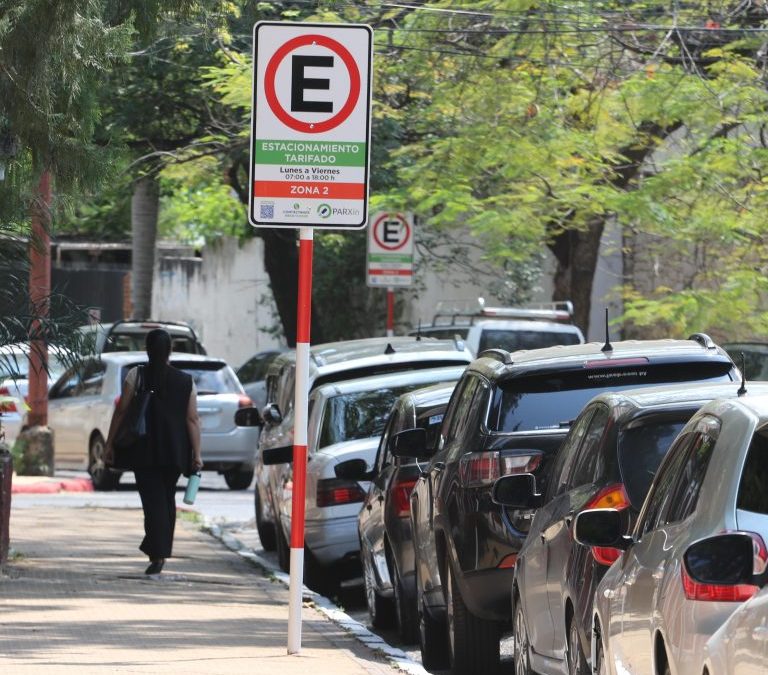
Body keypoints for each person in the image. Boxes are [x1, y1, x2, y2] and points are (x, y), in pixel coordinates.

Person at [104, 329, 203, 575]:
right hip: (175, 451)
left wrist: (110, 443)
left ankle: (157, 553)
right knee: (167, 500)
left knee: (153, 502)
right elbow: (192, 420)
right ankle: (159, 550)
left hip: (143, 450)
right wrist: (197, 454)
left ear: (147, 349)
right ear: (170, 350)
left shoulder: (137, 375)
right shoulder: (185, 380)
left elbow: (122, 411)